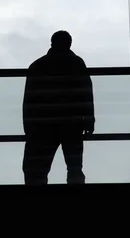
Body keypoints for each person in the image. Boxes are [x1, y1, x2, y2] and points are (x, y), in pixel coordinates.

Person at [22, 30, 95, 185]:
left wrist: (28, 127)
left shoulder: (37, 66)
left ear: (52, 43)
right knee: (74, 167)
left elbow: (29, 100)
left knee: (35, 170)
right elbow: (86, 92)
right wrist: (89, 119)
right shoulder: (77, 63)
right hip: (72, 122)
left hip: (42, 125)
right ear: (69, 44)